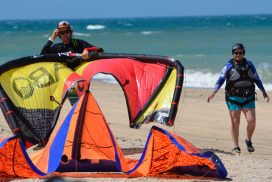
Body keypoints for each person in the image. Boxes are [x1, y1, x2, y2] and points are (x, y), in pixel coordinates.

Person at [207, 43, 270, 154]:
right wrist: (214, 92)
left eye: (240, 53)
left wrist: (264, 91)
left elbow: (256, 78)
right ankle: (235, 146)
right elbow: (221, 79)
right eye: (236, 53)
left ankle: (248, 140)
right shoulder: (228, 66)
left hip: (248, 97)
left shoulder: (249, 64)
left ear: (243, 53)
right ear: (233, 54)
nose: (238, 55)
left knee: (252, 121)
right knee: (235, 122)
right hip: (233, 97)